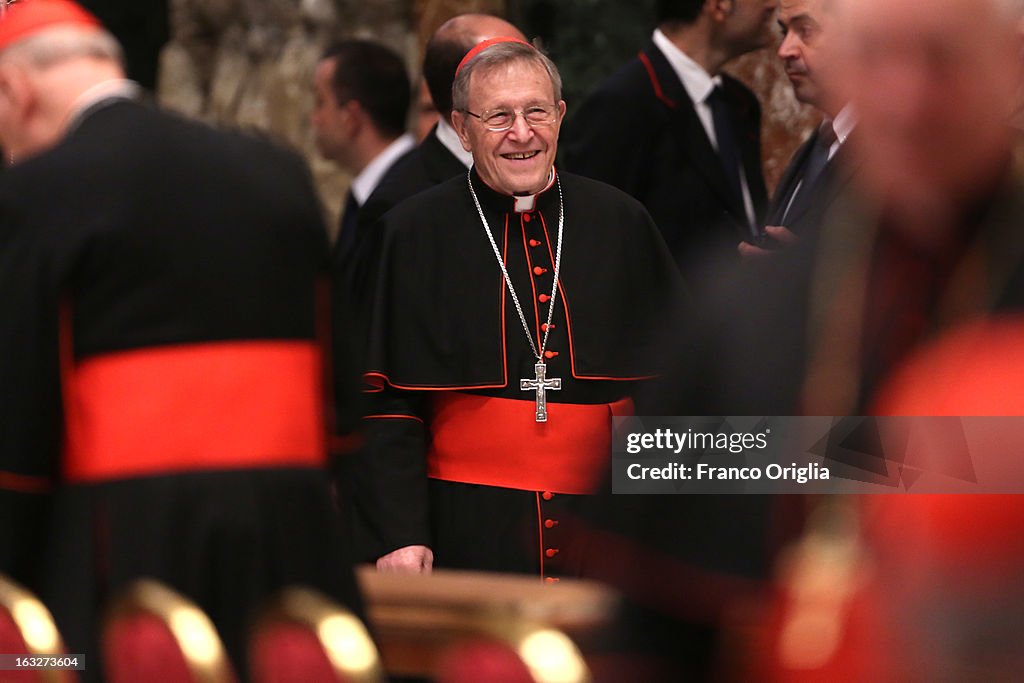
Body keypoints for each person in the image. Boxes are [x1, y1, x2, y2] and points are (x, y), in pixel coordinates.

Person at [0, 0, 363, 674]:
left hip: (123, 549)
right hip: (290, 542)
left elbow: (21, 426)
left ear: (15, 91)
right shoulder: (274, 170)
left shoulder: (37, 193)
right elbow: (339, 395)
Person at [352, 38, 685, 578]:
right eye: (498, 116)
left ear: (560, 115)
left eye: (536, 112)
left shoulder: (622, 222)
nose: (522, 133)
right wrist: (400, 534)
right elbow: (386, 403)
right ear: (461, 129)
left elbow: (676, 384)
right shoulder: (411, 232)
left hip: (605, 524)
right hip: (466, 524)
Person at [562, 0, 775, 286]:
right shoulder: (622, 104)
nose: (772, 4)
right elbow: (593, 246)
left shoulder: (740, 103)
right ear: (719, 6)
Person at [740, 0, 857, 256]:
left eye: (805, 31)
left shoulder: (892, 158)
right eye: (784, 32)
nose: (784, 50)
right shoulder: (819, 144)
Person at [311, 39, 414, 263]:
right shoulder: (372, 192)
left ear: (351, 118)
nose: (314, 119)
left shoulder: (406, 197)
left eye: (320, 102)